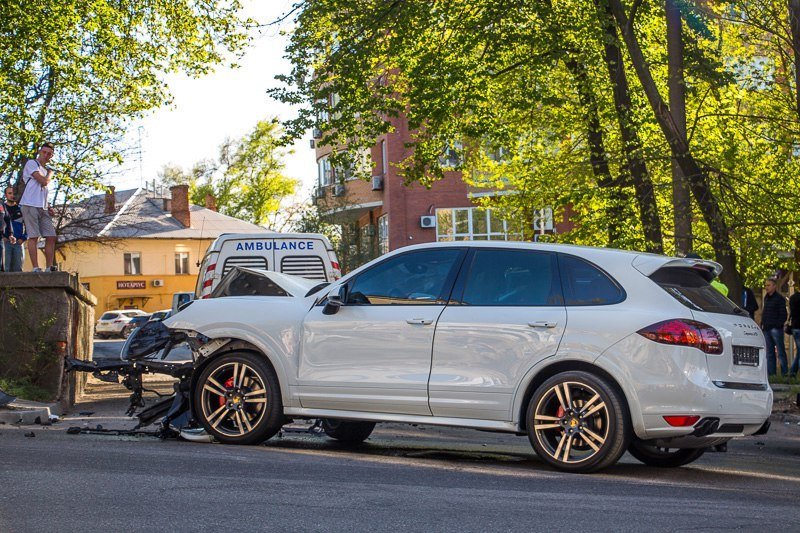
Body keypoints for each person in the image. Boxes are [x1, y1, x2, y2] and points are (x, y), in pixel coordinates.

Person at [19, 142, 57, 272]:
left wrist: (49, 206)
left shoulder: (45, 170)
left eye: (49, 154)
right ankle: (35, 267)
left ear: (51, 156)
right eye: (44, 152)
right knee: (34, 236)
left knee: (51, 236)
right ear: (40, 152)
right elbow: (43, 181)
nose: (45, 155)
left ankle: (49, 267)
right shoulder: (32, 164)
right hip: (29, 204)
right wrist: (50, 174)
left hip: (42, 206)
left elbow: (43, 191)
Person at [761, 278, 788, 376]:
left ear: (774, 286)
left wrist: (777, 325)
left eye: (768, 285)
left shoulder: (779, 298)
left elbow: (783, 315)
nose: (766, 287)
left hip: (776, 329)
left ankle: (784, 373)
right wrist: (762, 324)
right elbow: (764, 312)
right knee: (770, 353)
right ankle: (772, 374)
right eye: (766, 285)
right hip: (767, 328)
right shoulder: (766, 297)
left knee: (780, 352)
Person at [3, 185, 26, 272]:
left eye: (14, 193)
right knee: (5, 269)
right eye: (10, 193)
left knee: (18, 269)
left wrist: (23, 238)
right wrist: (2, 237)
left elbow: (29, 225)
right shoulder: (2, 209)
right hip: (4, 242)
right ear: (5, 195)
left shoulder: (21, 209)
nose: (12, 195)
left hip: (18, 243)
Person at [788, 290, 800, 378]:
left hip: (795, 327)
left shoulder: (793, 298)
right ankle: (792, 372)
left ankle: (792, 373)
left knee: (799, 352)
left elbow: (792, 313)